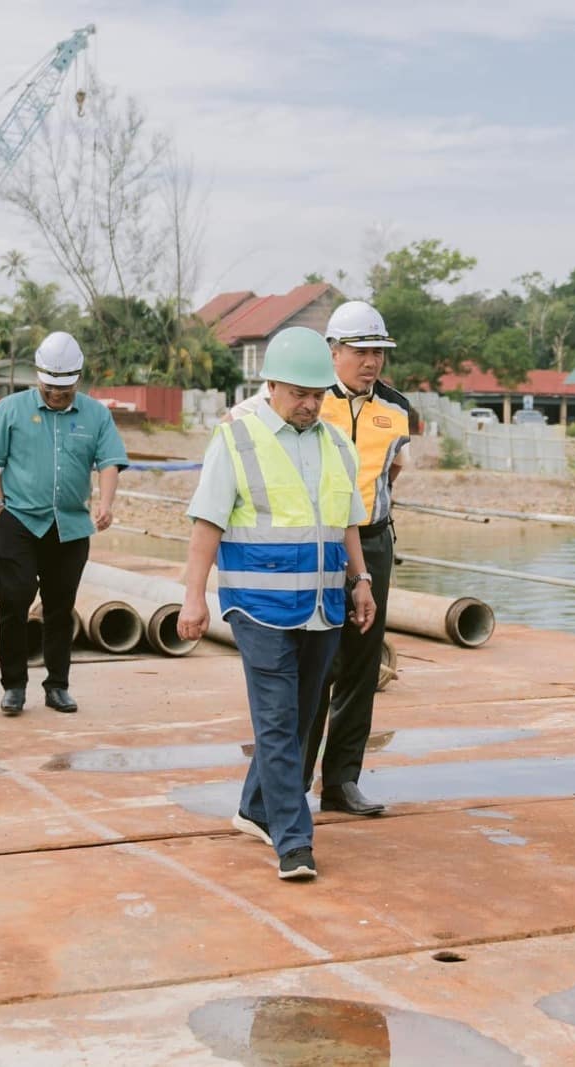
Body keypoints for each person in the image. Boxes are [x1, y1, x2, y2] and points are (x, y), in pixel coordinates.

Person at [176, 327, 377, 882]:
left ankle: (253, 808)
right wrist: (193, 598)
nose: (311, 405)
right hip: (257, 605)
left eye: (318, 395)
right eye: (299, 394)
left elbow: (346, 521)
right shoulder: (236, 437)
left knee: (301, 719)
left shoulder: (336, 443)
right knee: (277, 719)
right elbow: (207, 523)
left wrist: (360, 580)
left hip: (320, 606)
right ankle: (294, 840)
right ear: (271, 386)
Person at [0, 331, 127, 717]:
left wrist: (106, 504)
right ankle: (13, 686)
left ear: (78, 378)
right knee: (13, 598)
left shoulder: (96, 414)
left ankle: (57, 685)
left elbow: (109, 461)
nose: (56, 394)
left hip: (71, 527)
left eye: (65, 387)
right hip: (18, 521)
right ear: (38, 376)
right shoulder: (9, 409)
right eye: (49, 387)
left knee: (60, 607)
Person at [300, 300, 413, 816]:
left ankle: (341, 782)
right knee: (312, 662)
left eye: (379, 353)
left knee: (362, 665)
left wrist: (371, 525)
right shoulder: (308, 402)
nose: (371, 362)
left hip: (371, 541)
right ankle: (292, 780)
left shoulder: (395, 410)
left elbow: (392, 475)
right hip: (313, 542)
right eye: (360, 351)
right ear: (333, 351)